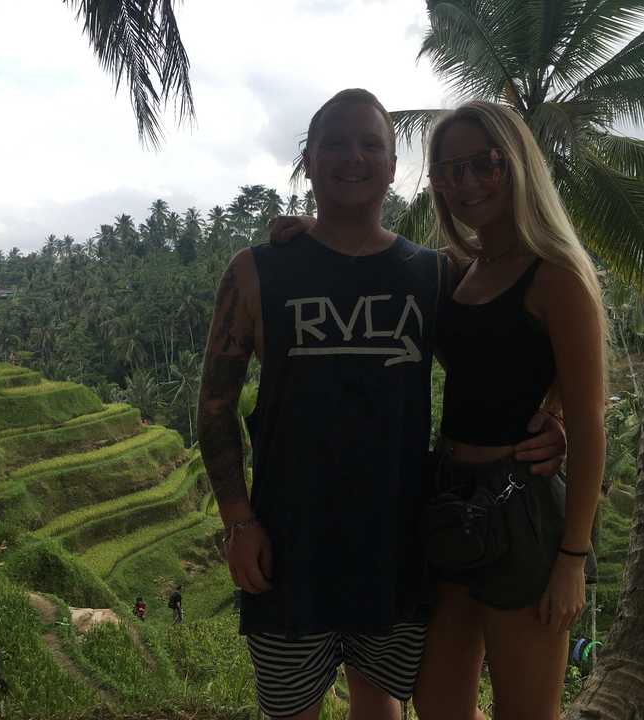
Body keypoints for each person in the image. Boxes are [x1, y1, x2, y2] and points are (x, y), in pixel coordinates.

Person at [197, 88, 566, 720]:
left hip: (398, 544)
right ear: (307, 161)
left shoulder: (433, 273)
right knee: (290, 708)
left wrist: (554, 413)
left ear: (395, 167)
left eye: (372, 144)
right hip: (288, 542)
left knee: (382, 700)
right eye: (335, 144)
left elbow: (508, 347)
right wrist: (237, 517)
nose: (353, 157)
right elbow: (214, 407)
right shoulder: (255, 272)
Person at [408, 101, 605, 720]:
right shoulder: (457, 274)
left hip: (519, 505)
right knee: (437, 703)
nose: (466, 183)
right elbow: (372, 258)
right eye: (448, 171)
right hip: (449, 497)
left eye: (484, 163)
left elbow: (592, 420)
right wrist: (313, 231)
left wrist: (572, 561)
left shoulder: (557, 277)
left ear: (515, 163)